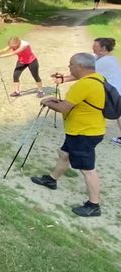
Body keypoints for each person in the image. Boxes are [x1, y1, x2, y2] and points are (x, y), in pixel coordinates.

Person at [31, 53, 106, 217]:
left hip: (84, 133)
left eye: (70, 64)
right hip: (87, 129)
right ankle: (52, 179)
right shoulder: (98, 79)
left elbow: (64, 108)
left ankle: (94, 204)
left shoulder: (83, 85)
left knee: (88, 169)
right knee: (64, 154)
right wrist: (55, 102)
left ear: (80, 66)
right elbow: (75, 104)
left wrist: (48, 102)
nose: (69, 67)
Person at [52, 38, 121, 145]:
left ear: (103, 48)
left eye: (95, 46)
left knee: (117, 114)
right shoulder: (105, 58)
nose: (93, 47)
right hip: (112, 89)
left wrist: (63, 79)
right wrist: (63, 77)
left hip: (112, 92)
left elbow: (85, 72)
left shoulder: (104, 61)